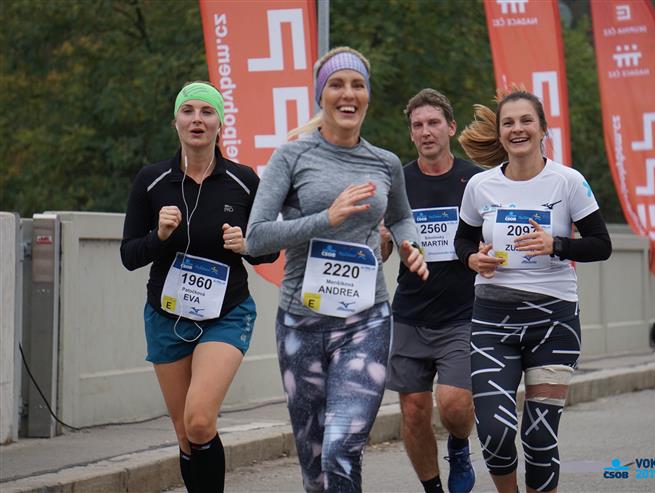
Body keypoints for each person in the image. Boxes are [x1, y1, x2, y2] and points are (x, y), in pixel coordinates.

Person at [245, 47, 428, 493]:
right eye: (337, 84)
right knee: (315, 467)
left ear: (368, 95)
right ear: (320, 95)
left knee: (341, 449)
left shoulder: (384, 163)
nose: (348, 94)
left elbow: (401, 217)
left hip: (366, 321)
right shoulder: (291, 157)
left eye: (358, 85)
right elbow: (256, 238)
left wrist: (412, 246)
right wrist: (326, 218)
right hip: (301, 324)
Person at [120, 81, 278, 493]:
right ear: (175, 121)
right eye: (188, 111)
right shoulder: (152, 180)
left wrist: (247, 245)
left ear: (220, 123)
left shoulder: (243, 181)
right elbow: (129, 255)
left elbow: (269, 251)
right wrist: (159, 236)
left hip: (226, 313)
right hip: (166, 315)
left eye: (207, 112)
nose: (197, 119)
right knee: (185, 433)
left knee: (201, 420)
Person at [454, 90, 612, 493]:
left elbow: (601, 245)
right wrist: (473, 259)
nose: (517, 129)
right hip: (493, 322)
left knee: (539, 438)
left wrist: (556, 245)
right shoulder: (480, 185)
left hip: (554, 322)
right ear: (500, 133)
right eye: (508, 122)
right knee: (494, 433)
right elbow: (463, 241)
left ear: (543, 129)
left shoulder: (568, 181)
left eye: (526, 120)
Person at [382, 88, 482, 493]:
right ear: (411, 133)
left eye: (434, 123)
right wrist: (382, 239)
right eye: (418, 125)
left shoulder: (475, 180)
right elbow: (381, 252)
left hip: (463, 313)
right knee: (413, 410)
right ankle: (433, 488)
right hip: (410, 312)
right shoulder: (398, 183)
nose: (426, 131)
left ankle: (459, 445)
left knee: (455, 404)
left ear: (451, 127)